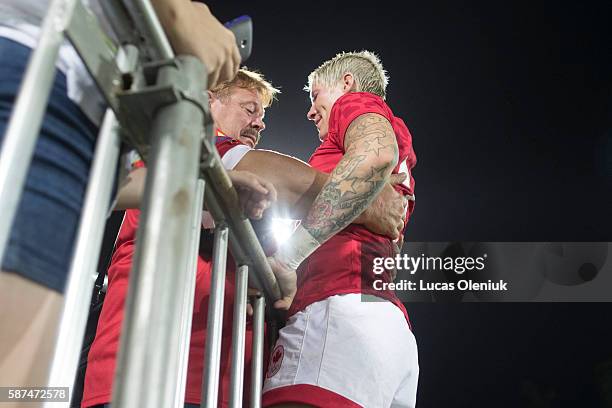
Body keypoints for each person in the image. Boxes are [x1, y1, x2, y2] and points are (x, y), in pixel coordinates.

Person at [83, 67, 408, 407]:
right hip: (157, 373)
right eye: (249, 109)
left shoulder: (249, 203)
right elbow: (279, 179)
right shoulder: (191, 145)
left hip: (224, 382)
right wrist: (367, 202)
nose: (260, 122)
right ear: (209, 104)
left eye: (262, 115)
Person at [0, 0, 240, 392]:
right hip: (44, 77)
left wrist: (207, 187)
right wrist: (184, 14)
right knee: (17, 387)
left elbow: (126, 185)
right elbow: (190, 29)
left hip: (72, 116)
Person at [262, 51, 419, 408]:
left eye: (315, 95)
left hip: (339, 314)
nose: (310, 110)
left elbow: (374, 156)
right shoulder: (399, 155)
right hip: (386, 328)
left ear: (346, 83)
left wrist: (289, 258)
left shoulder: (356, 103)